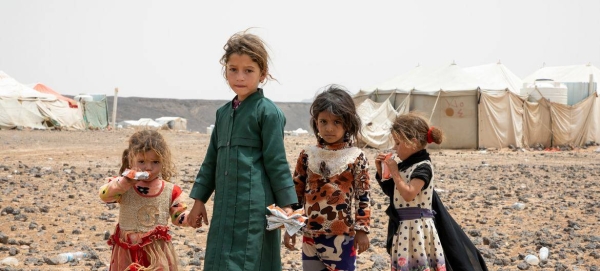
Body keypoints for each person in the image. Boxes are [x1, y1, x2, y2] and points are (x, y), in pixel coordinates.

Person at [187, 29, 298, 271]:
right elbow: (211, 161)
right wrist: (199, 200)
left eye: (249, 70)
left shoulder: (268, 112)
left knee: (252, 259)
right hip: (225, 206)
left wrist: (288, 205)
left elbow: (277, 162)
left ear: (262, 74)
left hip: (254, 207)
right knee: (220, 259)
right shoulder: (223, 113)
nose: (240, 76)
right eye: (233, 69)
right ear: (225, 70)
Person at [375, 112, 488, 271]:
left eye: (398, 143)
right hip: (403, 228)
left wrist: (394, 172)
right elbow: (393, 193)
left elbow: (408, 194)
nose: (395, 148)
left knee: (421, 264)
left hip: (418, 229)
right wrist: (381, 171)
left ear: (412, 143)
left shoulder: (423, 167)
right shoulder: (405, 165)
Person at [284, 85, 371, 271]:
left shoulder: (356, 156)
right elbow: (296, 194)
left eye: (337, 122)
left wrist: (362, 230)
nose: (329, 128)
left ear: (348, 123)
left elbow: (363, 197)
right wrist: (291, 226)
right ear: (316, 122)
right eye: (323, 121)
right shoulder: (307, 155)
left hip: (342, 237)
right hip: (310, 235)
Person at [99, 130, 193, 271]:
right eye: (141, 161)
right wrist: (125, 182)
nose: (148, 167)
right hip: (127, 251)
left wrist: (190, 219)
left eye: (155, 162)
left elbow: (177, 216)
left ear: (163, 162)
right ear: (131, 160)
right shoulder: (123, 186)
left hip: (157, 253)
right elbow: (104, 195)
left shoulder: (170, 190)